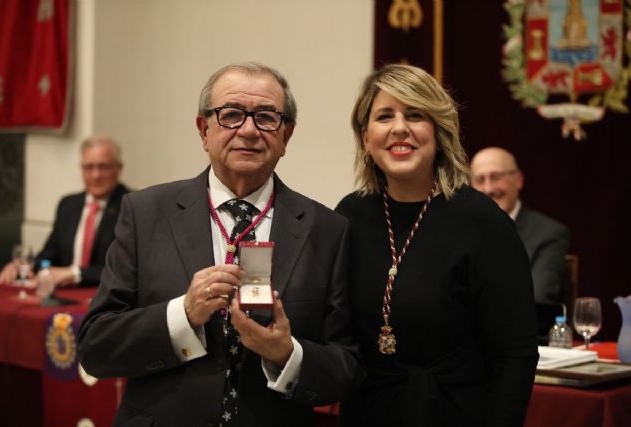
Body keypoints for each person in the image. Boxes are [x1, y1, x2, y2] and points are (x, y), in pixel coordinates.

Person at [78, 63, 362, 427]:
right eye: (231, 115)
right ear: (204, 130)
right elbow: (96, 348)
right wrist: (183, 314)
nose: (248, 130)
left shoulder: (328, 230)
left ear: (286, 135)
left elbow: (348, 366)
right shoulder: (145, 213)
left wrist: (287, 355)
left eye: (265, 117)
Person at [335, 64, 539, 427]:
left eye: (415, 115)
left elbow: (516, 355)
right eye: (385, 116)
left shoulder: (484, 223)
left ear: (439, 131)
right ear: (366, 137)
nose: (400, 127)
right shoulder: (349, 216)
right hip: (367, 413)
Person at [0, 136, 129, 287]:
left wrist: (75, 274)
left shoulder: (131, 206)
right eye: (89, 167)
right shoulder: (68, 205)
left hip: (108, 299)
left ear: (119, 168)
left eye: (103, 167)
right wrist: (22, 266)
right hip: (65, 297)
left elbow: (126, 269)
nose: (95, 175)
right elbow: (49, 256)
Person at [470, 147, 570, 304]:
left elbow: (536, 299)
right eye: (480, 180)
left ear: (518, 180)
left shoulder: (549, 234)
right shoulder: (460, 230)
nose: (488, 189)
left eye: (496, 177)